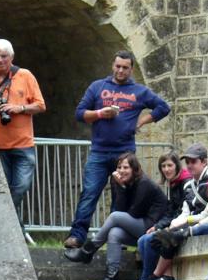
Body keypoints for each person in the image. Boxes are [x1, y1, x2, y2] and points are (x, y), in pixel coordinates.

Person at [68, 51, 171, 248]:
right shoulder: (98, 87)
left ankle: (118, 238)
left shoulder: (139, 91)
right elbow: (80, 114)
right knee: (90, 192)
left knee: (122, 195)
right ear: (112, 66)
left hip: (124, 153)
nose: (121, 70)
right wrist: (99, 113)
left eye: (125, 67)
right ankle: (77, 236)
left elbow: (163, 107)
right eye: (118, 66)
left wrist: (142, 120)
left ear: (131, 69)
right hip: (99, 151)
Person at [127, 144, 208, 280]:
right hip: (194, 223)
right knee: (152, 238)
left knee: (158, 238)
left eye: (193, 162)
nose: (189, 165)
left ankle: (150, 279)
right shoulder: (190, 184)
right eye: (187, 162)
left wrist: (181, 223)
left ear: (204, 162)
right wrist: (171, 224)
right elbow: (185, 210)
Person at [64, 152, 170, 280]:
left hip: (152, 226)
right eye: (119, 167)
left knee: (115, 217)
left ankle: (87, 251)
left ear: (134, 169)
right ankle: (111, 277)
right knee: (114, 233)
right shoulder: (126, 182)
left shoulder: (144, 183)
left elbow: (133, 213)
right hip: (139, 225)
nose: (121, 171)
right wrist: (119, 186)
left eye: (126, 168)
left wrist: (121, 187)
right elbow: (121, 208)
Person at [0, 39, 46, 231]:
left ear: (12, 57)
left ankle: (7, 226)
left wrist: (19, 108)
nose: (0, 60)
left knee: (21, 187)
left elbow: (40, 105)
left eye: (4, 56)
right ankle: (16, 229)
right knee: (4, 191)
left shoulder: (25, 76)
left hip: (24, 144)